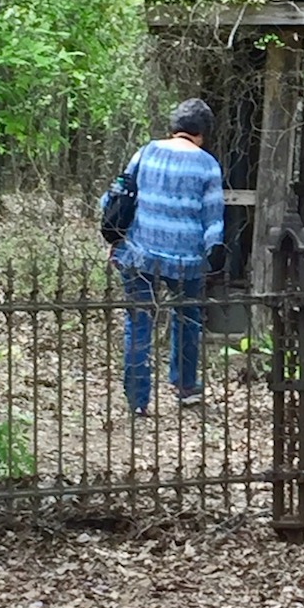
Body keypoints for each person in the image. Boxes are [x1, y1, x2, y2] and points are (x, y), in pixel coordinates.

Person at [104, 98, 225, 416]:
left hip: (138, 253)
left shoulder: (146, 152)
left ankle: (138, 401)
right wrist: (215, 250)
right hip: (186, 259)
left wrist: (115, 238)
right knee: (187, 321)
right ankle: (185, 388)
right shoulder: (207, 164)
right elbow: (212, 217)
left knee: (138, 322)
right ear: (202, 133)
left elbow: (119, 195)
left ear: (174, 127)